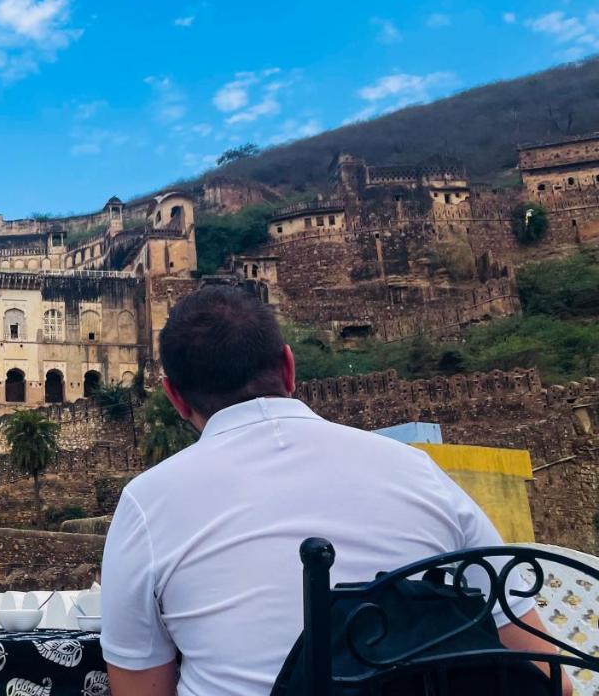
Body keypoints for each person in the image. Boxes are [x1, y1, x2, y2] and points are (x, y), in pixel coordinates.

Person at [100, 286, 566, 696]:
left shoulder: (148, 502)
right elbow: (553, 678)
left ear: (175, 396)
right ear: (288, 365)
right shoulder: (417, 470)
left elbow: (140, 687)